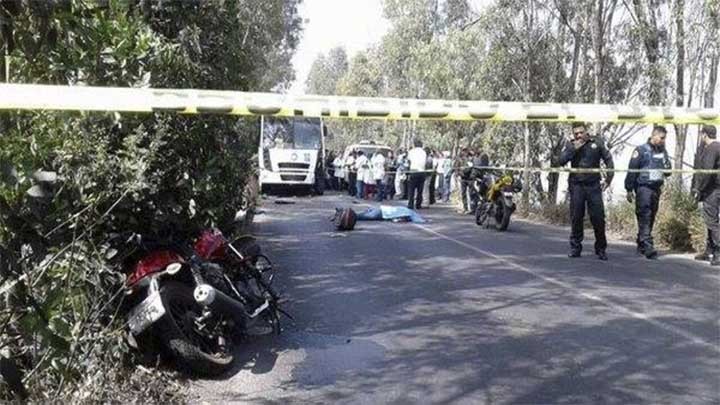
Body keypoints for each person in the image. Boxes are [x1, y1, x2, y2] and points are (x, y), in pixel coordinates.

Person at [558, 122, 614, 261]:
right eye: (576, 133)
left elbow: (608, 160)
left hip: (593, 185)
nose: (578, 135)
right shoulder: (571, 145)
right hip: (576, 185)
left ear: (586, 131)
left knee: (598, 218)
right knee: (576, 217)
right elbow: (561, 161)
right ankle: (575, 248)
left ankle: (601, 249)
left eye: (581, 132)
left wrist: (609, 179)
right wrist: (573, 150)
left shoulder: (597, 142)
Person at [624, 126, 672, 259]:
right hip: (643, 188)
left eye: (664, 139)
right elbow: (632, 170)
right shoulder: (641, 150)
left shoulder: (663, 151)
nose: (663, 141)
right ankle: (648, 246)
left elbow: (668, 171)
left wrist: (667, 165)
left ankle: (641, 242)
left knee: (651, 217)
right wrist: (628, 189)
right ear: (654, 135)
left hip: (656, 188)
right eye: (661, 138)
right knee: (645, 215)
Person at [691, 125, 720, 266]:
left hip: (713, 190)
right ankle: (710, 249)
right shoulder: (717, 147)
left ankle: (718, 252)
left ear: (704, 135)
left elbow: (707, 171)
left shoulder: (711, 148)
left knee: (712, 221)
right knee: (710, 220)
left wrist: (698, 189)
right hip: (715, 188)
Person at [407, 140, 428, 210]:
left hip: (413, 171)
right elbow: (425, 162)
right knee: (420, 190)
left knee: (411, 190)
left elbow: (409, 161)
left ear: (414, 145)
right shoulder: (424, 152)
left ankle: (410, 204)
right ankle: (418, 204)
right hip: (422, 172)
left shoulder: (411, 152)